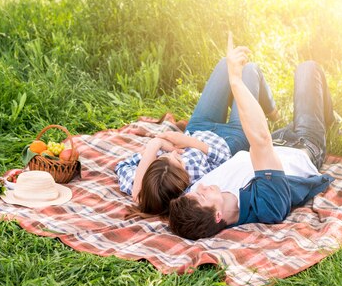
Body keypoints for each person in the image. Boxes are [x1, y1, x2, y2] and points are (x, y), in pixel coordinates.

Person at [168, 33, 337, 240]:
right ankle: (331, 121)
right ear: (218, 215)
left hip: (275, 139)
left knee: (307, 102)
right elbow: (261, 141)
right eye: (203, 195)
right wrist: (236, 81)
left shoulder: (194, 201)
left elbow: (149, 193)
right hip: (303, 145)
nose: (201, 186)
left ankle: (325, 116)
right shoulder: (267, 205)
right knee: (307, 70)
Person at [115, 54, 280, 217]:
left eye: (164, 157)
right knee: (250, 70)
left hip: (198, 127)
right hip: (231, 139)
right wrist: (189, 142)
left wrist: (155, 146)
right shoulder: (192, 187)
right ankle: (273, 113)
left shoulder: (153, 185)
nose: (173, 153)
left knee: (225, 64)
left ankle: (264, 107)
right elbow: (226, 158)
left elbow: (123, 166)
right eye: (178, 161)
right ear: (183, 181)